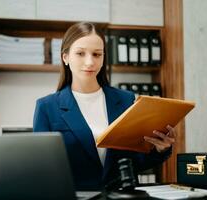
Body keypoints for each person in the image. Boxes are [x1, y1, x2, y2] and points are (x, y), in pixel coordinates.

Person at [33, 22, 175, 191]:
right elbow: (42, 171)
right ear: (65, 57)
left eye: (97, 54)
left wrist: (160, 149)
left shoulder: (126, 100)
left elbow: (136, 161)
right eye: (80, 53)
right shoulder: (47, 107)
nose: (90, 61)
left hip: (121, 196)